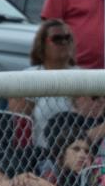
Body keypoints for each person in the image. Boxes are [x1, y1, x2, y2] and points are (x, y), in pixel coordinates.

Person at [7, 19, 77, 151]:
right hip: (41, 152)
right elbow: (17, 124)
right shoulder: (29, 77)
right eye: (57, 38)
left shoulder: (84, 77)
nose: (64, 42)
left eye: (68, 38)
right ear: (42, 45)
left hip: (77, 152)